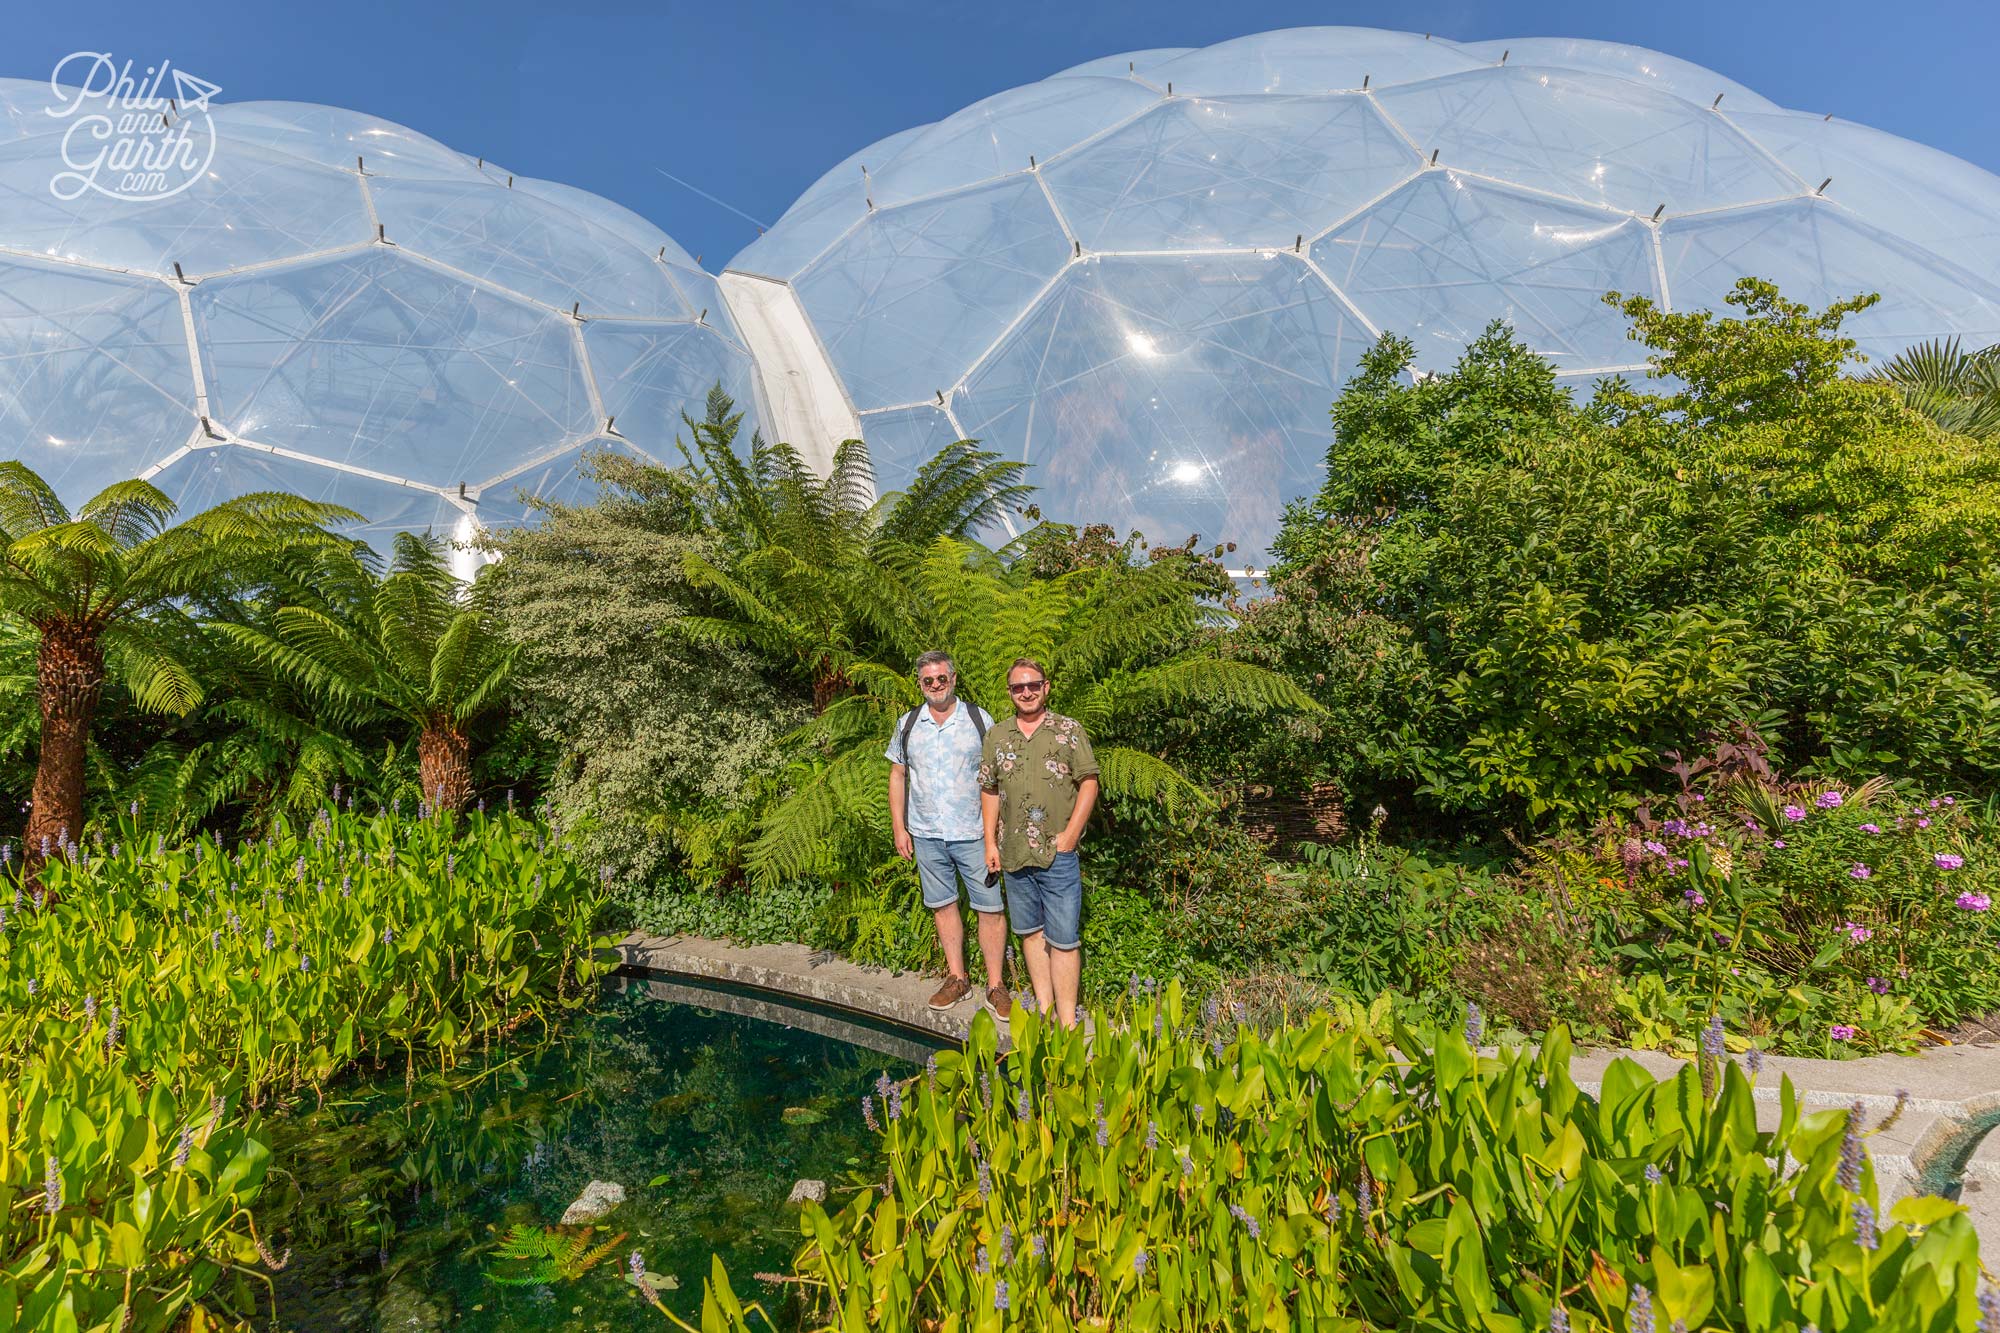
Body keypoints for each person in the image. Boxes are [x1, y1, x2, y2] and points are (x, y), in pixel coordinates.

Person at [979, 657, 1098, 1027]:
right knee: (1030, 933)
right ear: (1010, 692)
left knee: (1063, 939)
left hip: (1057, 854)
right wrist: (990, 844)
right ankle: (1045, 1010)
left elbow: (1089, 782)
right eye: (1018, 687)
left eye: (1033, 685)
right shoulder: (997, 736)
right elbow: (989, 789)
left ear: (1046, 688)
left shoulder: (1068, 730)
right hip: (1013, 853)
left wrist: (1070, 836)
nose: (1026, 692)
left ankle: (1068, 1022)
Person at [887, 650, 1008, 1014]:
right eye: (928, 680)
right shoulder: (908, 724)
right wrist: (899, 827)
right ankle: (958, 978)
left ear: (953, 679)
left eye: (942, 678)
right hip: (926, 832)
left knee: (990, 908)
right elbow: (897, 775)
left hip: (973, 831)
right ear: (920, 684)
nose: (936, 685)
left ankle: (996, 984)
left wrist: (996, 829)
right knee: (942, 905)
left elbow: (997, 775)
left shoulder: (977, 719)